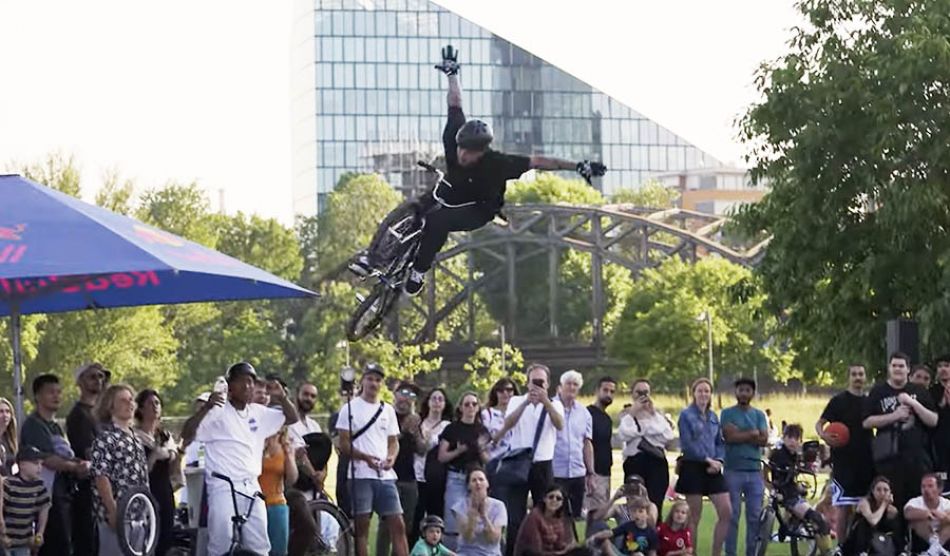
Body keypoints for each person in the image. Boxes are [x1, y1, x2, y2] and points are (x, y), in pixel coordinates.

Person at [348, 44, 606, 296]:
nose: (461, 154)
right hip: (447, 193)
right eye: (460, 148)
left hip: (477, 209)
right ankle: (373, 259)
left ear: (482, 151)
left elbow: (539, 161)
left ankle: (418, 272)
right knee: (411, 209)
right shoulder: (455, 135)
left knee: (437, 223)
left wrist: (578, 166)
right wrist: (452, 74)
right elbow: (456, 102)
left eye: (468, 152)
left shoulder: (498, 163)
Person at [180, 361, 299, 556]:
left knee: (260, 546)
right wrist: (206, 408)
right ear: (229, 386)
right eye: (242, 381)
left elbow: (292, 418)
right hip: (223, 487)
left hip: (252, 486)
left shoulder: (258, 413)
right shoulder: (218, 412)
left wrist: (282, 397)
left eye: (251, 382)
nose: (248, 386)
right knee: (222, 545)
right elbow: (187, 433)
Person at [336, 363, 409, 556]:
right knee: (362, 528)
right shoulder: (349, 408)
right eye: (370, 378)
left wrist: (391, 457)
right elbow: (343, 444)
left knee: (398, 525)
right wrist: (365, 457)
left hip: (385, 476)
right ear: (362, 381)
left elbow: (394, 442)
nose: (373, 383)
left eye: (377, 380)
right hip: (360, 475)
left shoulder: (388, 410)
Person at [494, 363, 565, 556]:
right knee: (515, 515)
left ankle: (544, 550)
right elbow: (508, 424)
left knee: (545, 512)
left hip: (543, 464)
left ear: (548, 384)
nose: (537, 385)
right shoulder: (517, 401)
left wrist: (545, 402)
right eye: (534, 381)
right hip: (519, 462)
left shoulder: (555, 403)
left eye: (541, 382)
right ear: (527, 382)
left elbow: (559, 425)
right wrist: (527, 402)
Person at [20, 373, 89, 556]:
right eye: (51, 392)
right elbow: (48, 460)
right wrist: (75, 467)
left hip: (64, 492)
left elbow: (68, 455)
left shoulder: (56, 426)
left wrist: (81, 463)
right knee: (56, 545)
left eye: (59, 392)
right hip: (47, 497)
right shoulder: (33, 425)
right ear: (37, 396)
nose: (57, 396)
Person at [863, 351, 938, 510]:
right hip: (888, 460)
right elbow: (867, 422)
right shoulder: (878, 391)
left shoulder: (919, 391)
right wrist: (894, 416)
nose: (898, 369)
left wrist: (913, 403)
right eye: (894, 365)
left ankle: (916, 535)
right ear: (889, 368)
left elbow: (933, 420)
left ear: (908, 369)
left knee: (918, 504)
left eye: (901, 366)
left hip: (916, 459)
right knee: (891, 505)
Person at [814, 363, 874, 542]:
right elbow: (820, 423)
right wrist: (824, 436)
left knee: (866, 507)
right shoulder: (838, 401)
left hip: (866, 460)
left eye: (861, 374)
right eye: (854, 374)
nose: (857, 377)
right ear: (848, 377)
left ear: (865, 377)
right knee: (843, 507)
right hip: (843, 461)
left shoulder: (869, 401)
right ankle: (841, 547)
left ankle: (862, 546)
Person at [90, 384, 150, 555]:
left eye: (131, 400)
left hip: (139, 515)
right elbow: (101, 476)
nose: (129, 404)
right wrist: (113, 510)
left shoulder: (135, 438)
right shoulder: (105, 438)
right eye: (123, 400)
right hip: (117, 516)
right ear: (111, 406)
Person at [675, 377, 730, 556]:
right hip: (693, 467)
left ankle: (716, 553)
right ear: (694, 393)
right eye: (700, 391)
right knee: (694, 516)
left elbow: (720, 443)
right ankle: (692, 553)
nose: (704, 394)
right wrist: (707, 459)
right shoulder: (686, 415)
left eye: (707, 391)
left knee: (726, 511)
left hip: (713, 468)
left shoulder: (714, 417)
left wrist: (719, 461)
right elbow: (687, 444)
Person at [765, 424, 833, 553]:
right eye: (789, 437)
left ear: (800, 441)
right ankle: (828, 551)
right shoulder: (778, 455)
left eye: (796, 438)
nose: (792, 441)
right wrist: (769, 485)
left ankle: (789, 523)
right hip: (788, 495)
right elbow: (767, 469)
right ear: (783, 438)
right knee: (817, 519)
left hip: (790, 493)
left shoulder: (795, 457)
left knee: (816, 519)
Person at [719, 377, 769, 556]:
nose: (744, 393)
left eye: (748, 390)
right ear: (736, 392)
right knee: (732, 515)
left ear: (753, 393)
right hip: (733, 470)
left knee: (754, 517)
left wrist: (741, 433)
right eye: (741, 390)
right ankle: (730, 553)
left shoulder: (759, 415)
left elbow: (764, 439)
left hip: (755, 471)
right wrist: (752, 433)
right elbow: (729, 436)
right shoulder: (727, 413)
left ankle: (751, 552)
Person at [65, 361, 108, 556]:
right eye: (92, 376)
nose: (98, 380)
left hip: (106, 487)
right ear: (80, 382)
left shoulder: (103, 415)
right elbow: (91, 453)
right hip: (88, 489)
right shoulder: (79, 415)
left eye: (101, 376)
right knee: (88, 544)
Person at [439, 391, 490, 549]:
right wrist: (458, 451)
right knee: (453, 522)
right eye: (466, 404)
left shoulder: (482, 430)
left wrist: (481, 448)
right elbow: (442, 456)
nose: (470, 407)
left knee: (476, 520)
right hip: (456, 477)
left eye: (474, 404)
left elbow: (488, 460)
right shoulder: (452, 428)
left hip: (476, 480)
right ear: (460, 408)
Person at [134, 388, 180, 556]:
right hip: (147, 491)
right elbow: (141, 470)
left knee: (165, 538)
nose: (155, 407)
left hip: (165, 491)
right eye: (150, 403)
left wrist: (174, 453)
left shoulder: (165, 436)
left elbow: (174, 469)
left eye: (157, 403)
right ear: (139, 408)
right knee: (147, 539)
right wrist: (155, 454)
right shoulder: (135, 437)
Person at [618, 379, 674, 516]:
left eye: (646, 392)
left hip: (657, 462)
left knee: (656, 504)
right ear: (632, 394)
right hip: (635, 462)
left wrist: (648, 422)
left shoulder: (657, 415)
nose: (643, 396)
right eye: (639, 392)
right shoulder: (626, 415)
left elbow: (667, 435)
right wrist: (634, 414)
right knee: (635, 504)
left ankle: (655, 535)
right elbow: (624, 434)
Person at [379, 381, 422, 556]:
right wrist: (403, 431)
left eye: (412, 395)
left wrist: (416, 431)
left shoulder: (415, 420)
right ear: (395, 394)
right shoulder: (385, 415)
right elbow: (383, 443)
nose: (406, 398)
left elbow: (422, 449)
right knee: (386, 526)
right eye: (403, 393)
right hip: (389, 477)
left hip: (410, 480)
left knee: (406, 526)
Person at [552, 370, 594, 521]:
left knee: (575, 517)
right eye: (568, 384)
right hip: (555, 471)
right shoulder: (549, 408)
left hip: (577, 472)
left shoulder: (584, 413)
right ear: (560, 387)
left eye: (575, 384)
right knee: (555, 515)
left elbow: (587, 443)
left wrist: (590, 472)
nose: (571, 387)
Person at [414, 387, 453, 542]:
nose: (437, 402)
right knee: (416, 516)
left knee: (435, 516)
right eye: (434, 398)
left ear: (444, 404)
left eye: (440, 399)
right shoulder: (419, 423)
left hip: (435, 478)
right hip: (416, 475)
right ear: (428, 402)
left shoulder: (447, 426)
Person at [1, 446, 51, 555]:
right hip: (6, 541)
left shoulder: (39, 485)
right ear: (22, 465)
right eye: (35, 463)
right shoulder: (9, 484)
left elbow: (44, 508)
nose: (40, 468)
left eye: (41, 464)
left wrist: (40, 532)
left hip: (25, 542)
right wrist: (2, 535)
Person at [513, 484, 588, 556]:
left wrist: (568, 548)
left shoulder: (562, 518)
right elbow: (535, 550)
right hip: (536, 554)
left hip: (554, 553)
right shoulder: (534, 517)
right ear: (544, 499)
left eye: (558, 498)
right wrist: (560, 553)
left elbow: (563, 544)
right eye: (551, 497)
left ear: (562, 503)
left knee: (584, 551)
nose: (554, 500)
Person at [449, 467, 507, 556]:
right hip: (466, 553)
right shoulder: (460, 506)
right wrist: (472, 518)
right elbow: (468, 538)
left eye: (481, 479)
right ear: (468, 486)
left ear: (487, 483)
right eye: (474, 480)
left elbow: (493, 539)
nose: (478, 483)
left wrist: (484, 516)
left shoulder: (499, 506)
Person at [260, 426, 298, 556]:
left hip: (276, 503)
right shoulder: (256, 439)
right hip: (255, 504)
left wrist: (289, 455)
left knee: (278, 551)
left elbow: (291, 479)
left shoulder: (285, 444)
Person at [840, 476, 900, 556]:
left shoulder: (891, 509)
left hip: (880, 542)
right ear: (873, 491)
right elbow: (873, 521)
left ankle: (901, 551)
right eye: (878, 490)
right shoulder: (864, 503)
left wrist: (887, 508)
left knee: (897, 522)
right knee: (864, 522)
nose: (882, 493)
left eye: (885, 490)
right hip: (858, 541)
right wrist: (884, 505)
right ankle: (862, 552)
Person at [289, 381, 325, 500]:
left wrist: (322, 475)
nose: (308, 398)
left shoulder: (314, 426)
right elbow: (298, 455)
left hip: (315, 490)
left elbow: (323, 456)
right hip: (295, 487)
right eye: (305, 394)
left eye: (312, 396)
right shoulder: (287, 423)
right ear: (297, 395)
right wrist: (314, 475)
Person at [586, 377, 617, 515]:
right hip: (593, 472)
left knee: (602, 514)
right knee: (595, 515)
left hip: (606, 472)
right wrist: (589, 473)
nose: (608, 394)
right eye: (605, 390)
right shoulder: (587, 414)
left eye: (612, 391)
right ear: (597, 391)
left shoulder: (607, 419)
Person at [589, 496, 659, 556]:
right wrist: (595, 536)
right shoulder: (628, 526)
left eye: (641, 511)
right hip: (624, 554)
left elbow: (652, 552)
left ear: (647, 515)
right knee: (606, 543)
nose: (637, 514)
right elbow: (611, 533)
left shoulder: (651, 532)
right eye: (634, 511)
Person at [589, 475, 659, 529]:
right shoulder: (619, 508)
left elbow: (652, 525)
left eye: (636, 489)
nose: (633, 493)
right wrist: (614, 499)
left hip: (642, 543)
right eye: (630, 489)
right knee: (599, 526)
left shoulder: (650, 506)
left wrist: (645, 500)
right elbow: (596, 517)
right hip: (622, 542)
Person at [904, 474, 950, 554]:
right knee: (917, 521)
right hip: (922, 539)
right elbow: (907, 513)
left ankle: (933, 551)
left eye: (930, 486)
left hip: (944, 537)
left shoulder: (946, 503)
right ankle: (936, 548)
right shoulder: (915, 501)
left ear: (939, 489)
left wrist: (945, 517)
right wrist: (927, 513)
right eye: (923, 486)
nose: (926, 489)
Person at [483, 378, 519, 461]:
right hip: (495, 460)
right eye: (500, 390)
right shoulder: (487, 414)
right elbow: (485, 443)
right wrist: (505, 428)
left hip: (517, 461)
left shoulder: (520, 412)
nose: (505, 393)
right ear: (495, 393)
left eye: (509, 390)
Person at [930, 354, 950, 490]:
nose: (943, 369)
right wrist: (943, 402)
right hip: (939, 444)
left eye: (947, 366)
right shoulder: (932, 391)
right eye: (940, 366)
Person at [0, 397, 18, 476]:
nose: (5, 415)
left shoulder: (10, 440)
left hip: (10, 484)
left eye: (8, 411)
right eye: (1, 411)